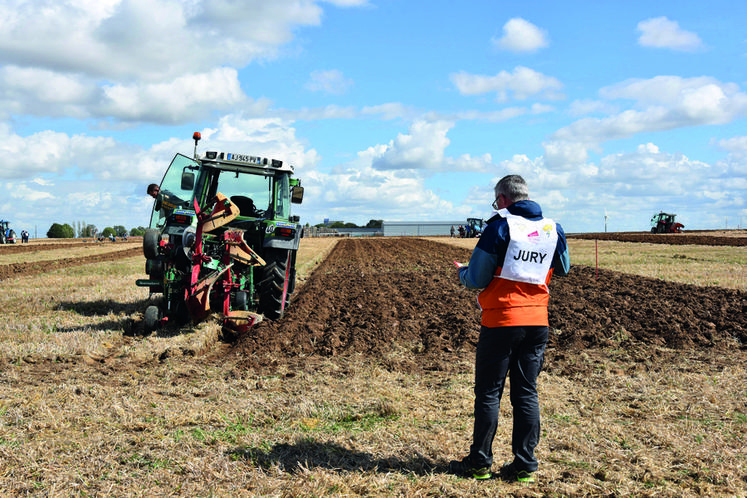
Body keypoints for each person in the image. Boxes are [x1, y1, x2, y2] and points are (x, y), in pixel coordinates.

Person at [449, 174, 570, 482]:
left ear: (502, 199)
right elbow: (564, 267)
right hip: (537, 322)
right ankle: (525, 464)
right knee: (526, 392)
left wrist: (463, 273)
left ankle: (479, 462)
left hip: (502, 320)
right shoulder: (552, 228)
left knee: (489, 392)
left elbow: (477, 278)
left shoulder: (499, 227)